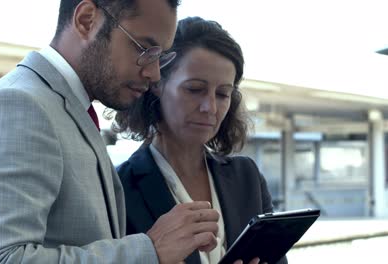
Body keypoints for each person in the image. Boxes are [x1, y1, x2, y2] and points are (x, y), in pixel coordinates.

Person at [0, 1, 221, 263]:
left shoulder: (64, 109)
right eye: (143, 49)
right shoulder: (15, 106)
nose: (154, 73)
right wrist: (149, 251)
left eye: (159, 57)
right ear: (86, 20)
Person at [115, 17, 288, 264]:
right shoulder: (120, 187)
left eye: (222, 94)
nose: (210, 107)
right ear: (157, 84)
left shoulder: (246, 176)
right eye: (195, 89)